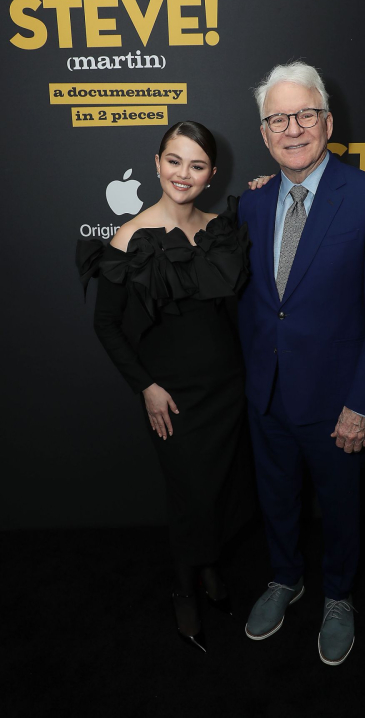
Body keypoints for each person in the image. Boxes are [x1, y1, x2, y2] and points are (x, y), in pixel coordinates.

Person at [76, 121, 269, 654]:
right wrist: (147, 387)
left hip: (228, 385)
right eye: (175, 160)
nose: (184, 173)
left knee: (227, 488)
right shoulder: (130, 237)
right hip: (174, 395)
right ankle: (185, 589)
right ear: (157, 163)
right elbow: (106, 325)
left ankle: (208, 571)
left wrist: (260, 193)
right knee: (191, 494)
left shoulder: (221, 229)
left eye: (197, 164)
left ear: (211, 175)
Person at [238, 62, 365, 665]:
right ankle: (285, 578)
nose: (292, 128)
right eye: (278, 118)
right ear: (264, 133)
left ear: (327, 122)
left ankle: (338, 596)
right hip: (267, 392)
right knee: (276, 497)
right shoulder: (251, 206)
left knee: (339, 507)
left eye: (305, 114)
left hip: (337, 401)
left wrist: (361, 404)